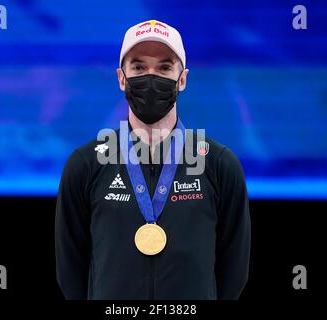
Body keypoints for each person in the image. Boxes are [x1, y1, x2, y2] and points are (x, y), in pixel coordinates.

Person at [55, 19, 251, 300]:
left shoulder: (219, 164)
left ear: (182, 79)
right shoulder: (86, 164)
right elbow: (71, 271)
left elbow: (234, 272)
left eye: (164, 67)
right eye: (138, 67)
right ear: (122, 78)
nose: (150, 77)